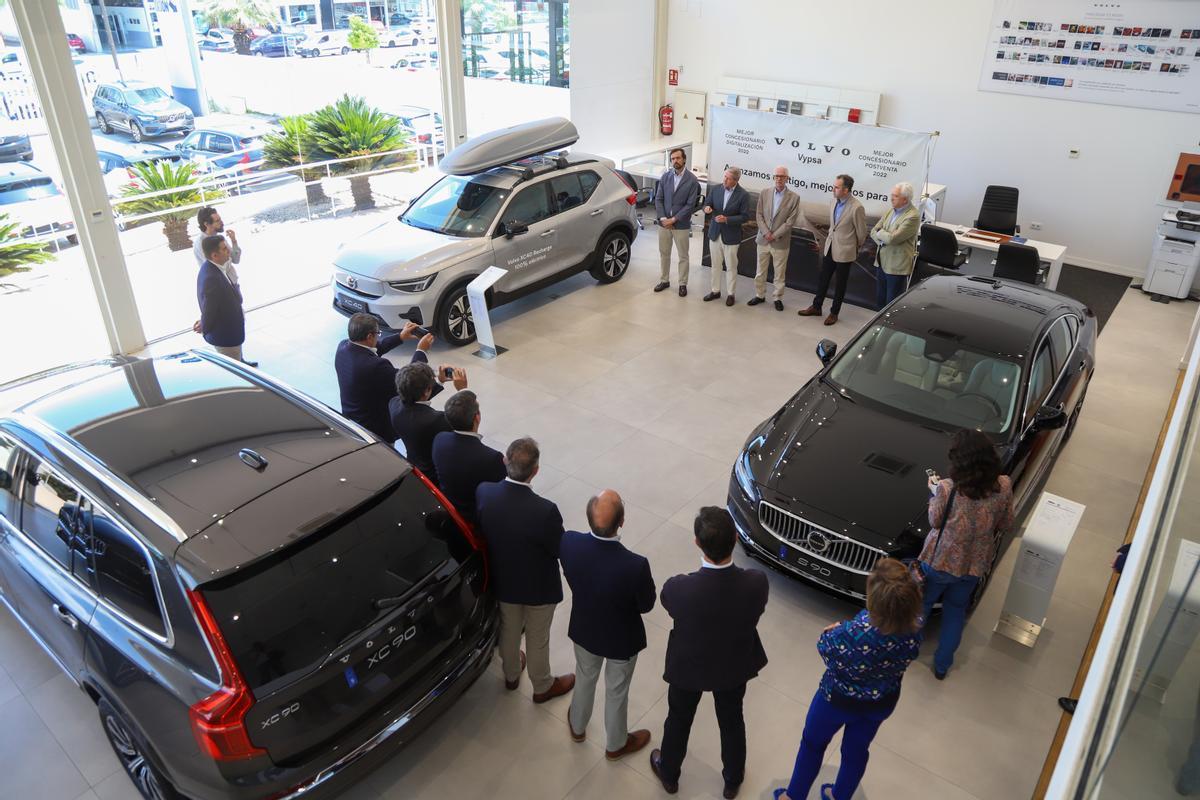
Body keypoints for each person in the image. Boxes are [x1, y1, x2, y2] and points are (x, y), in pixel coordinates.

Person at [774, 559, 923, 800]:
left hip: (835, 701)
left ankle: (794, 796)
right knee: (856, 752)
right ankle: (839, 795)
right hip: (881, 702)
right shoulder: (915, 628)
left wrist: (831, 629)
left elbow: (824, 647)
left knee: (812, 744)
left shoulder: (852, 632)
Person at [650, 507, 768, 799]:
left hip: (688, 666)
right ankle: (732, 780)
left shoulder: (679, 588)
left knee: (678, 718)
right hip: (733, 666)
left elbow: (667, 603)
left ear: (697, 543)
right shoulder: (756, 583)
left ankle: (669, 774)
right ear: (736, 539)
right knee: (731, 720)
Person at [476, 437, 575, 703]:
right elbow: (558, 548)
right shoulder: (545, 511)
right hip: (538, 587)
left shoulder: (485, 492)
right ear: (535, 471)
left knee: (508, 629)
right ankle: (542, 686)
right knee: (537, 636)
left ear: (505, 462)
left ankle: (510, 674)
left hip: (504, 580)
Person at [560, 490, 657, 760]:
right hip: (621, 640)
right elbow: (646, 604)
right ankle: (615, 744)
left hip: (585, 630)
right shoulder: (635, 566)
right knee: (616, 691)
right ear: (622, 521)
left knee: (585, 676)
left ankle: (578, 726)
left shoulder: (569, 543)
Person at [920, 428, 1015, 679]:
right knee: (955, 612)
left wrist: (934, 493)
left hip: (939, 562)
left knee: (922, 607)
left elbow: (935, 521)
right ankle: (942, 665)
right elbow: (1006, 523)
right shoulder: (1003, 485)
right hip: (974, 564)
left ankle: (905, 652)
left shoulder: (948, 488)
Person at [334, 313, 434, 443]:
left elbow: (373, 349)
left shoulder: (343, 348)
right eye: (378, 333)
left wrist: (400, 337)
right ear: (370, 336)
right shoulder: (376, 366)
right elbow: (410, 381)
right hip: (375, 431)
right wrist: (421, 351)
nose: (378, 336)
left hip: (352, 420)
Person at [798, 174, 867, 325]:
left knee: (840, 284)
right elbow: (834, 227)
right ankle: (816, 307)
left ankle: (834, 313)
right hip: (829, 247)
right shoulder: (833, 202)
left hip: (845, 251)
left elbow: (862, 234)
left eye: (836, 187)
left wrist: (851, 248)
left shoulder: (857, 207)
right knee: (823, 279)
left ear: (846, 190)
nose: (833, 189)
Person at [430, 390, 505, 523]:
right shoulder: (491, 458)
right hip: (476, 517)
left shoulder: (439, 439)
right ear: (477, 418)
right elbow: (499, 493)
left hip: (448, 506)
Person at [388, 361, 467, 484]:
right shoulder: (436, 420)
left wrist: (439, 381)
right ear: (426, 391)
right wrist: (462, 391)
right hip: (434, 475)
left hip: (414, 465)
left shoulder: (393, 404)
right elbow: (464, 424)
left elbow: (415, 401)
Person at [193, 235, 255, 366]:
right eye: (225, 249)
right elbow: (209, 309)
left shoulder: (213, 267)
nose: (228, 250)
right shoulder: (212, 278)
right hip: (226, 338)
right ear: (215, 255)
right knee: (236, 372)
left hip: (230, 332)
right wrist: (205, 326)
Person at [750, 166, 801, 311]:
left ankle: (777, 298)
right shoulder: (765, 193)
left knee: (779, 274)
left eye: (782, 176)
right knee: (760, 272)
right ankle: (760, 295)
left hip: (780, 242)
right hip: (763, 239)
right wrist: (766, 233)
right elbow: (759, 215)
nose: (779, 178)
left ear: (787, 178)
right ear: (774, 177)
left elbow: (790, 222)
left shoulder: (794, 198)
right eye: (776, 176)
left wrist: (775, 235)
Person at [652, 147, 701, 297]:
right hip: (664, 224)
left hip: (681, 224)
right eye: (673, 159)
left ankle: (682, 284)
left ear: (684, 159)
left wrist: (674, 219)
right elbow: (659, 199)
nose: (675, 161)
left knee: (683, 256)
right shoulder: (665, 177)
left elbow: (690, 205)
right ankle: (664, 280)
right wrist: (663, 219)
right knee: (664, 253)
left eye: (678, 158)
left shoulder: (692, 180)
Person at [703, 168, 750, 306]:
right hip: (715, 233)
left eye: (728, 178)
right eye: (724, 176)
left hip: (731, 236)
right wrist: (706, 209)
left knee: (731, 267)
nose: (724, 180)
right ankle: (715, 291)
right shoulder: (716, 189)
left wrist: (727, 219)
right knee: (715, 265)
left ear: (736, 180)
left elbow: (745, 217)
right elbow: (707, 204)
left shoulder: (743, 195)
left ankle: (731, 294)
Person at [869, 182, 920, 309]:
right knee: (880, 301)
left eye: (895, 196)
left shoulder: (913, 216)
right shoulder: (890, 211)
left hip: (896, 267)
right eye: (892, 195)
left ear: (905, 199)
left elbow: (893, 239)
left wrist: (881, 233)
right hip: (882, 262)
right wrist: (882, 238)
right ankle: (878, 328)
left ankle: (887, 329)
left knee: (891, 304)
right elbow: (873, 231)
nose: (891, 198)